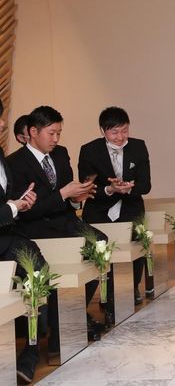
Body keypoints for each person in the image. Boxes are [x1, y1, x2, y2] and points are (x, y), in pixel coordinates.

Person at [6, 106, 107, 341]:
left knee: (101, 244)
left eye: (59, 133)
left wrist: (76, 199)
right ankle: (59, 326)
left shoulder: (60, 153)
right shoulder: (15, 163)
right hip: (36, 226)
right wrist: (63, 194)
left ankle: (73, 312)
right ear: (33, 132)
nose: (56, 139)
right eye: (51, 133)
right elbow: (25, 212)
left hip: (65, 220)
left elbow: (67, 195)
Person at [79, 107, 151, 305]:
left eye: (124, 130)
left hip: (131, 207)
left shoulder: (138, 147)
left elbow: (146, 185)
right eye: (114, 132)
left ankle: (134, 287)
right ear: (102, 131)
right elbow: (87, 186)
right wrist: (109, 189)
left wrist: (128, 188)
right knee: (98, 252)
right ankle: (104, 293)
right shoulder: (89, 151)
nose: (120, 137)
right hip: (99, 210)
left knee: (136, 248)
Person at [0, 101, 45, 383]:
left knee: (37, 270)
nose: (3, 123)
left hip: (7, 235)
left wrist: (20, 201)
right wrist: (13, 208)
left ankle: (31, 350)